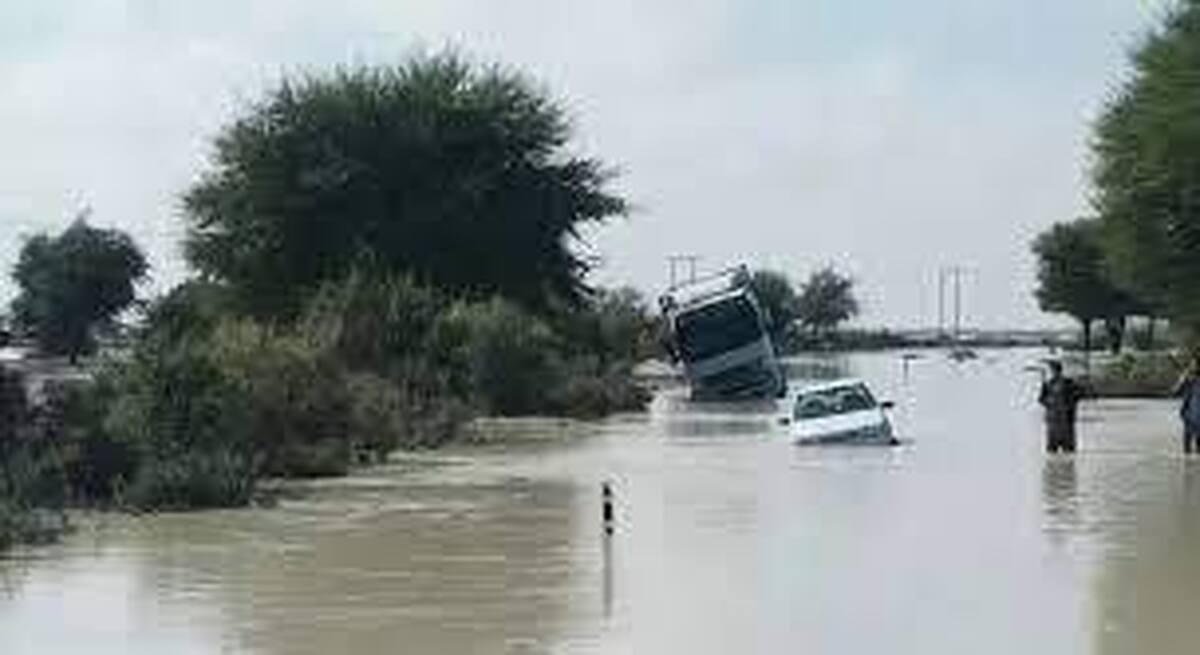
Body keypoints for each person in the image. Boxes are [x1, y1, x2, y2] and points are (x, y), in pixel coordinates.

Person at [1039, 360, 1085, 453]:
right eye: (1052, 370)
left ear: (1058, 371)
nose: (1053, 373)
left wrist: (1070, 405)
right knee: (1052, 451)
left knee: (1068, 450)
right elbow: (1041, 399)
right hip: (1053, 421)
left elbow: (1080, 393)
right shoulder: (1048, 384)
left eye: (1053, 370)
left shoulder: (1068, 382)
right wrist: (1049, 402)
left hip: (1065, 421)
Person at [1174, 353, 1200, 454]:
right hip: (1188, 417)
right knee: (1187, 450)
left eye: (1194, 364)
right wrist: (1182, 380)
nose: (1191, 366)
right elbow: (1176, 392)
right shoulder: (1187, 378)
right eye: (1191, 364)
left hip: (1196, 417)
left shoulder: (1193, 380)